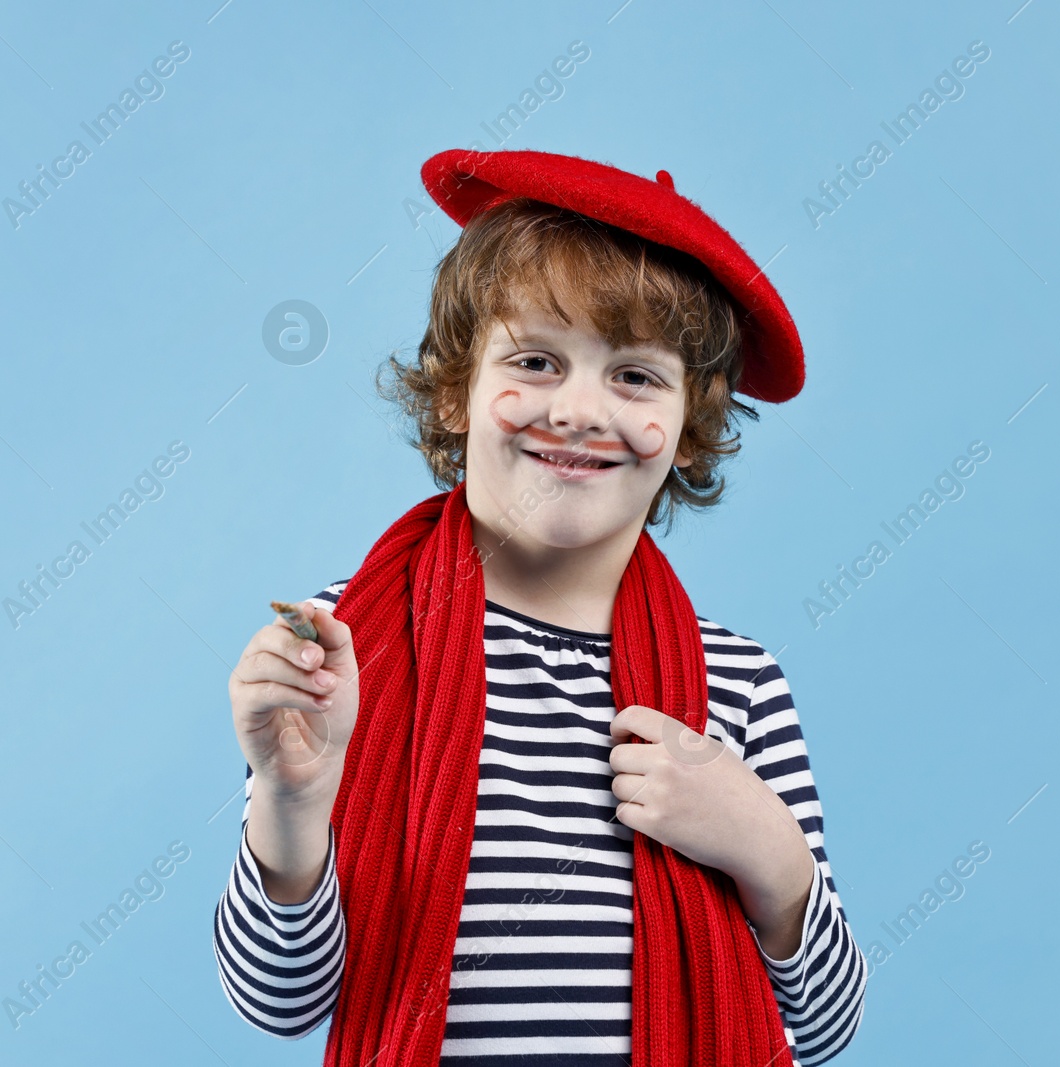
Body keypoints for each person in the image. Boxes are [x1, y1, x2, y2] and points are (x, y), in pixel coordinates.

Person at [214, 149, 867, 1065]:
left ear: (688, 428)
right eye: (536, 359)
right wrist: (290, 801)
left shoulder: (739, 683)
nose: (580, 410)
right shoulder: (345, 646)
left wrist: (770, 852)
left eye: (636, 376)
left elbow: (826, 1027)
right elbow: (276, 1001)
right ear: (455, 392)